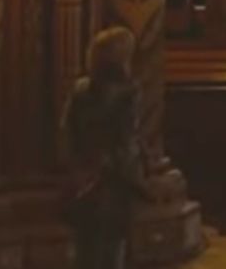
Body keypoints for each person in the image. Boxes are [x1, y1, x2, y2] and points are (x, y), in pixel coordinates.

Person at [61, 26, 153, 269]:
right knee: (112, 247)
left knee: (85, 248)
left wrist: (78, 168)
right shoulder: (127, 93)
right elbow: (125, 139)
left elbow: (68, 131)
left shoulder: (81, 89)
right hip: (113, 179)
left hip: (84, 176)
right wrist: (140, 178)